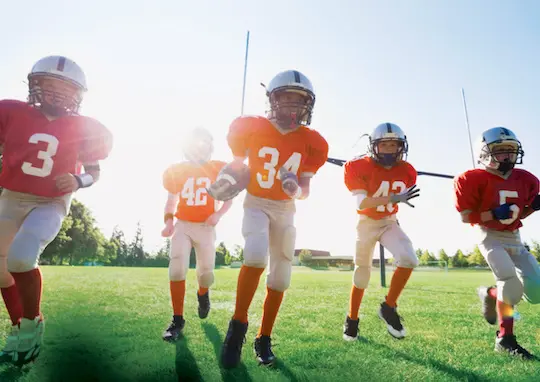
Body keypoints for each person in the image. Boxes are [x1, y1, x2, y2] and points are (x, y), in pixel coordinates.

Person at [210, 70, 329, 368]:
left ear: (308, 106)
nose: (293, 106)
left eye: (299, 100)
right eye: (287, 98)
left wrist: (295, 190)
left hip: (285, 209)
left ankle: (264, 338)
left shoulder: (313, 142)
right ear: (273, 100)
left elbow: (305, 191)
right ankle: (237, 329)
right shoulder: (251, 127)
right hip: (257, 202)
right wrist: (227, 178)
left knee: (280, 276)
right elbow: (236, 165)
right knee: (253, 254)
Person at [0, 55, 113, 365]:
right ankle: (18, 330)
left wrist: (78, 179)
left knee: (22, 257)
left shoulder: (83, 127)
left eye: (64, 89)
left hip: (50, 201)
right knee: (0, 269)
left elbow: (95, 171)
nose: (56, 93)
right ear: (35, 85)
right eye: (50, 85)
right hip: (11, 197)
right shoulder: (10, 111)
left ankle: (33, 322)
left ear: (76, 96)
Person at [454, 126, 540, 360]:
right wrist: (493, 213)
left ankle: (492, 295)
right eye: (500, 151)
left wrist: (533, 207)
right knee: (509, 280)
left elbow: (519, 215)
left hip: (514, 236)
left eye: (510, 151)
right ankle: (505, 339)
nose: (507, 156)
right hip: (488, 234)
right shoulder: (471, 178)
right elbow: (466, 217)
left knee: (536, 288)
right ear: (484, 153)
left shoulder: (527, 179)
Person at [342, 123, 419, 341]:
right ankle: (352, 318)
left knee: (409, 258)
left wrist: (393, 202)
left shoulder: (407, 170)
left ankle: (388, 307)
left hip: (388, 222)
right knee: (362, 274)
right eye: (384, 145)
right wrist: (393, 198)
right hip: (367, 222)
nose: (389, 150)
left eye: (394, 145)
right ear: (374, 146)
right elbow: (362, 203)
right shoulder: (358, 166)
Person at [161, 127, 232, 341]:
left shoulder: (217, 168)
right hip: (183, 224)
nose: (199, 150)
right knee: (177, 267)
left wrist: (218, 214)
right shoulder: (177, 170)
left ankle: (203, 293)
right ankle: (177, 319)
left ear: (209, 148)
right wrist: (168, 221)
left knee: (206, 273)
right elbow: (171, 200)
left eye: (203, 145)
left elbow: (229, 198)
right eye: (195, 145)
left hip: (205, 227)